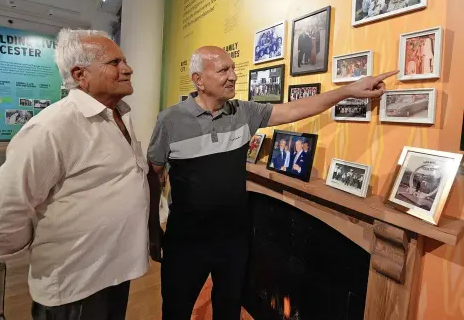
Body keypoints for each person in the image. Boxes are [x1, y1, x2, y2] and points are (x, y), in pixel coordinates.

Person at [146, 45, 397, 320]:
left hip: (233, 239)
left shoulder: (244, 113)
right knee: (175, 310)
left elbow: (296, 109)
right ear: (198, 80)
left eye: (233, 69)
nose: (233, 76)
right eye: (223, 70)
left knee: (228, 309)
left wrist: (348, 90)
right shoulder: (171, 120)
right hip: (186, 241)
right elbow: (154, 173)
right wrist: (151, 227)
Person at [0, 29, 150, 320]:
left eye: (125, 61)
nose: (128, 69)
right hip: (74, 285)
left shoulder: (118, 115)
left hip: (114, 273)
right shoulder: (51, 128)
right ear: (80, 74)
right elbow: (2, 214)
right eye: (115, 62)